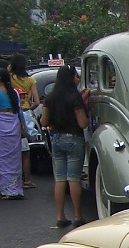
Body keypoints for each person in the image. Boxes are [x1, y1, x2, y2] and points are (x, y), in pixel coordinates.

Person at [40, 65, 88, 228]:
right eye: (76, 77)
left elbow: (44, 122)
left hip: (57, 140)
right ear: (71, 78)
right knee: (74, 179)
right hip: (74, 138)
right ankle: (78, 216)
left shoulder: (50, 97)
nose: (77, 80)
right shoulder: (74, 97)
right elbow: (82, 123)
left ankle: (60, 216)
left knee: (60, 179)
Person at [0, 68, 25, 200]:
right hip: (14, 125)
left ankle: (7, 189)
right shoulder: (14, 92)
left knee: (2, 158)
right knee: (14, 158)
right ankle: (15, 188)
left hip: (0, 126)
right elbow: (19, 111)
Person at [9, 53, 40, 190]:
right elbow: (37, 101)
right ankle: (27, 180)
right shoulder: (30, 80)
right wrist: (29, 108)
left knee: (11, 150)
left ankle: (12, 179)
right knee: (25, 150)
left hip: (11, 113)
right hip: (26, 113)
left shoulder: (10, 79)